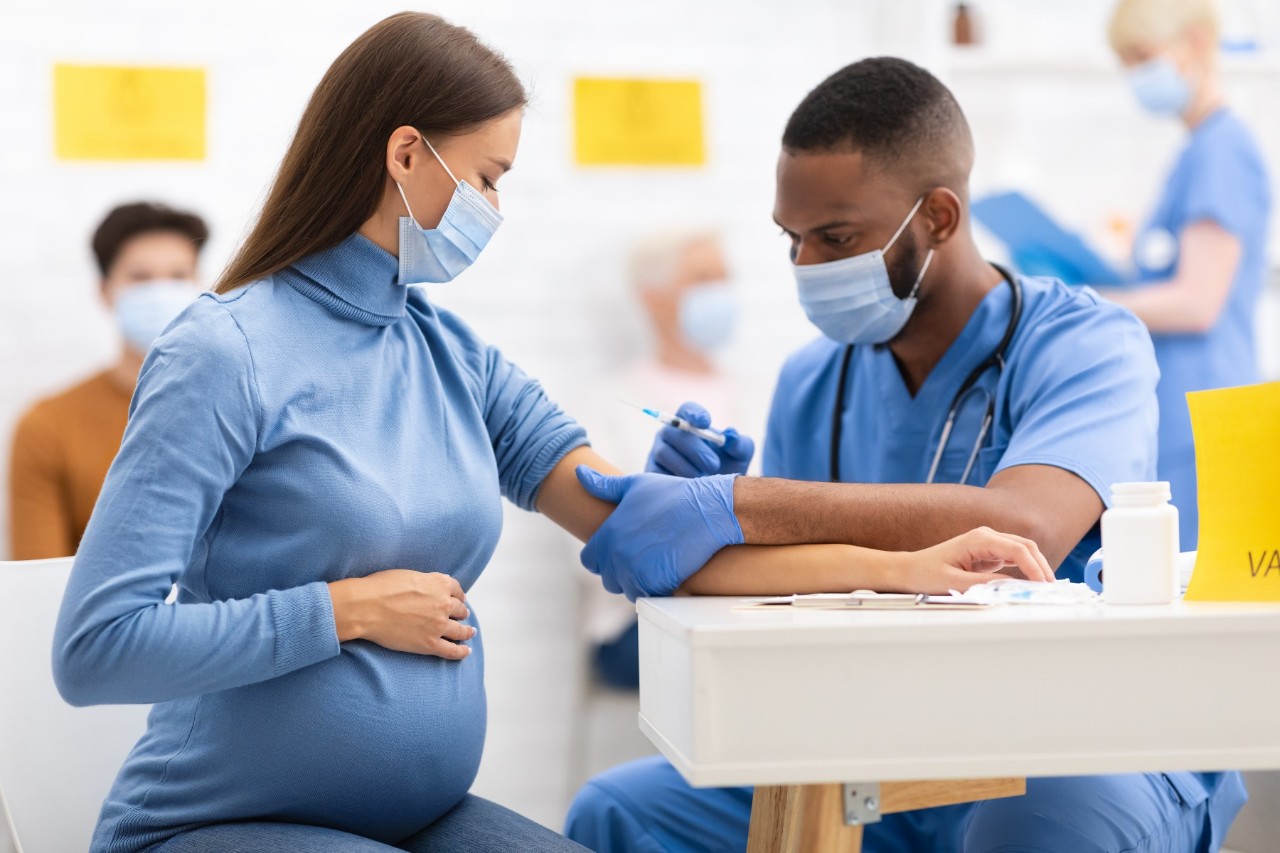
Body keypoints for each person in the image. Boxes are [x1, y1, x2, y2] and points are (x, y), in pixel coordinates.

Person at [50, 16, 1044, 853]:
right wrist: (341, 611)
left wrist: (913, 565)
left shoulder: (450, 354)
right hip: (220, 822)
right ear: (405, 155)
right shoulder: (226, 353)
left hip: (419, 816)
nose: (493, 208)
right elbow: (95, 648)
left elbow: (653, 540)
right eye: (486, 176)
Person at [565, 58, 1246, 852]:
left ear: (940, 218)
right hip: (886, 731)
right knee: (618, 812)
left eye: (837, 237)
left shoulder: (1085, 342)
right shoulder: (815, 379)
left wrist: (743, 506)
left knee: (1029, 827)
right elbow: (789, 601)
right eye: (792, 239)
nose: (805, 268)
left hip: (1081, 739)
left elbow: (1029, 526)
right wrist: (718, 523)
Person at [1093, 0, 1271, 550]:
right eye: (1126, 63)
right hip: (1180, 413)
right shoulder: (1196, 153)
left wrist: (1093, 299)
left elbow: (1197, 301)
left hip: (1205, 418)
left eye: (1143, 56)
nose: (1135, 76)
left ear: (1194, 42)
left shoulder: (1222, 152)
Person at [581, 228, 743, 689]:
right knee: (749, 668)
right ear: (653, 297)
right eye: (701, 279)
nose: (720, 293)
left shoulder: (760, 392)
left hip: (745, 605)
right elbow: (590, 539)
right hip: (638, 618)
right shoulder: (609, 404)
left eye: (724, 278)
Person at [8, 202, 207, 560]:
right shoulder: (47, 426)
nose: (161, 292)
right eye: (140, 277)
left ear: (199, 286)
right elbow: (37, 583)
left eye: (178, 276)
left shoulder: (242, 406)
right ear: (104, 290)